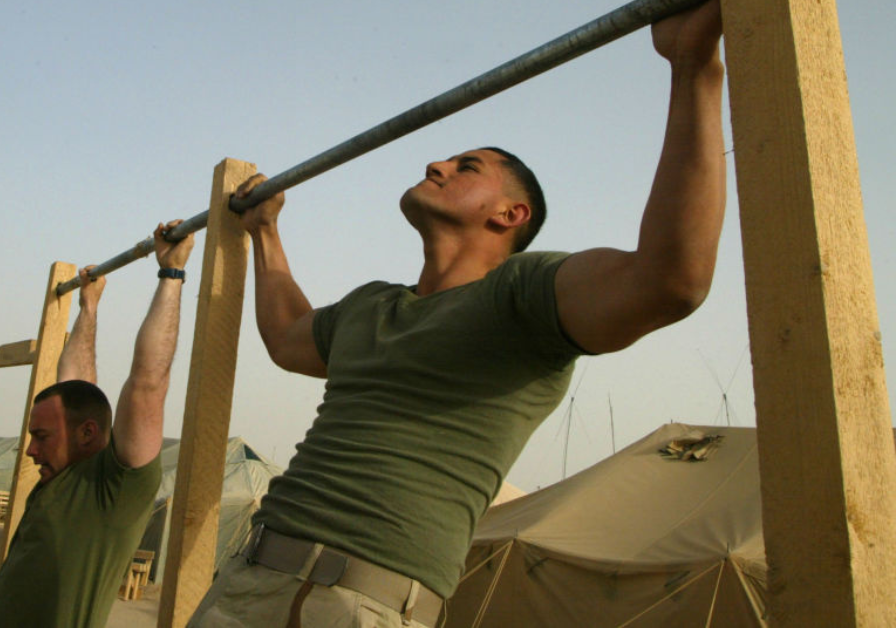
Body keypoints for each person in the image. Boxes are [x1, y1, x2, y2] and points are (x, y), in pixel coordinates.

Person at [190, 3, 727, 627]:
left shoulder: (522, 297)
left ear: (509, 215)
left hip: (360, 605)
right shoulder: (371, 306)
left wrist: (693, 69)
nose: (435, 165)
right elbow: (286, 338)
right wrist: (264, 231)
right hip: (245, 584)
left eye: (466, 167)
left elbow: (670, 281)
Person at [0, 220, 196, 628]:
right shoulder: (60, 479)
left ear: (88, 434)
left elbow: (147, 383)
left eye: (41, 438)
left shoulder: (112, 492)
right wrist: (89, 308)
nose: (30, 450)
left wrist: (171, 274)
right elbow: (73, 384)